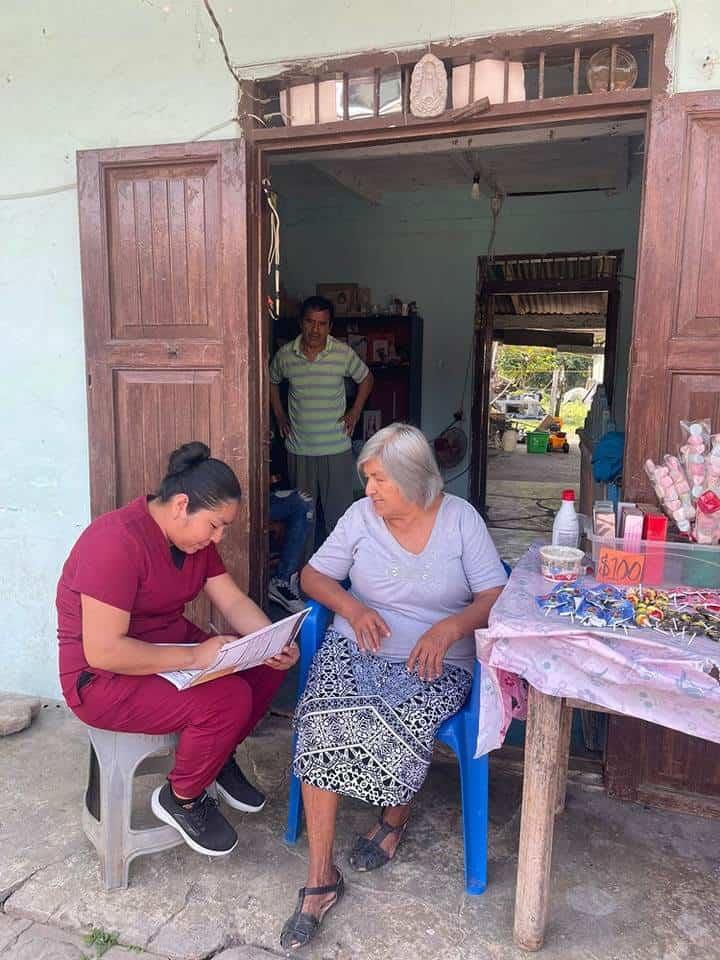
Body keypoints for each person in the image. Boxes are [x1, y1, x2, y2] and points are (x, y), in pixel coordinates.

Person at [280, 423, 508, 951]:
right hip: (357, 646)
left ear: (411, 477)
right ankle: (320, 878)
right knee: (321, 717)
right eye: (368, 479)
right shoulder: (362, 519)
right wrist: (353, 607)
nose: (370, 490)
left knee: (399, 716)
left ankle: (393, 818)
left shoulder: (459, 521)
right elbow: (313, 577)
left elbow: (495, 592)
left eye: (379, 479)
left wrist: (451, 627)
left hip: (438, 656)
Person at [56, 441, 299, 858]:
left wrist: (271, 640)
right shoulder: (115, 541)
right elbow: (104, 651)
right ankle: (181, 796)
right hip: (101, 679)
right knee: (226, 698)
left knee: (265, 667)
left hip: (165, 645)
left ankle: (215, 757)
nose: (219, 537)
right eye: (216, 525)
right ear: (181, 505)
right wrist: (194, 657)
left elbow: (234, 602)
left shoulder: (193, 543)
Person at [269, 296, 374, 548]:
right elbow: (271, 381)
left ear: (330, 326)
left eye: (322, 324)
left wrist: (355, 412)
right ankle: (301, 576)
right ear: (300, 322)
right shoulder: (286, 355)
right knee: (303, 518)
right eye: (310, 322)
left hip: (336, 448)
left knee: (338, 519)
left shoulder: (342, 353)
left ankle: (340, 579)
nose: (315, 330)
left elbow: (367, 378)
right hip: (299, 449)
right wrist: (280, 415)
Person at [268, 429, 314, 613]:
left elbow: (278, 479)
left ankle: (283, 579)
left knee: (303, 502)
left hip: (266, 497)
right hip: (240, 501)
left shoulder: (273, 437)